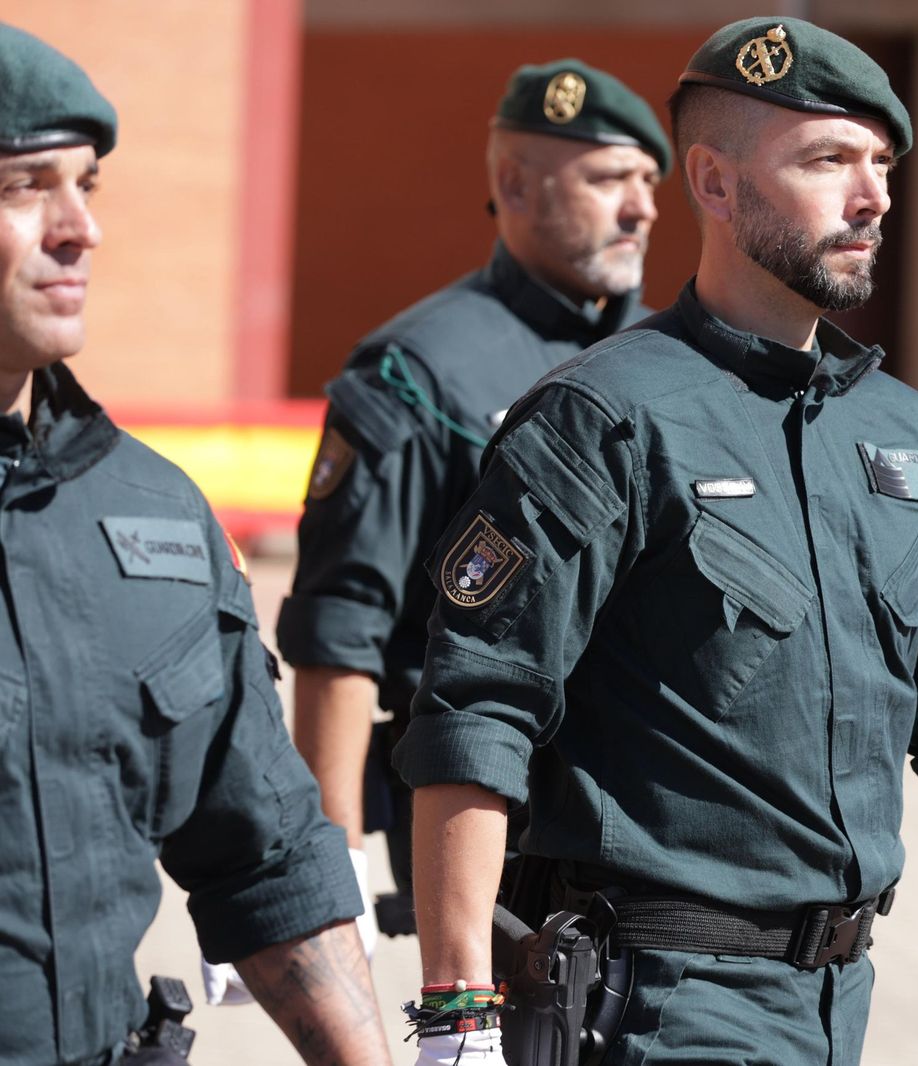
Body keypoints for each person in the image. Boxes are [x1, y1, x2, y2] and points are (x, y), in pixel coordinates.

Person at [395, 16, 918, 1066]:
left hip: (834, 1003)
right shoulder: (605, 417)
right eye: (827, 161)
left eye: (880, 165)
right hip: (650, 1005)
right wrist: (458, 1012)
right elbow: (476, 705)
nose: (872, 198)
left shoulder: (904, 434)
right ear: (715, 185)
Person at [0, 21, 389, 1065]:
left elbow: (262, 854)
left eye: (88, 184)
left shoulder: (154, 515)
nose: (81, 227)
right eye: (26, 185)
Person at [259, 59, 669, 996]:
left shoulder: (665, 360)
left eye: (650, 183)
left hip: (645, 826)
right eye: (610, 179)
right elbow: (340, 627)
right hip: (491, 826)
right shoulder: (421, 370)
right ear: (514, 183)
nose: (642, 208)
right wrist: (335, 860)